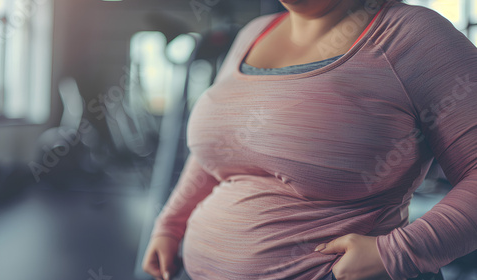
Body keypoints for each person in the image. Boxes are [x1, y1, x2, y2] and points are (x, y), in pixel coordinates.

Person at [142, 0, 477, 279]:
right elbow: (218, 149)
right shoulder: (254, 32)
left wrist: (399, 252)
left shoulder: (413, 33)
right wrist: (171, 223)